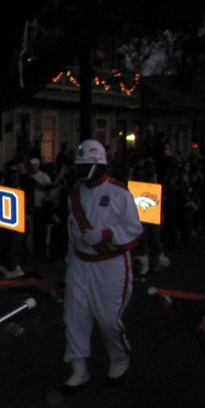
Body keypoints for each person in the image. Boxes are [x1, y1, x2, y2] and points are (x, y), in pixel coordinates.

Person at [60, 140, 143, 392]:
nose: (82, 171)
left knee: (108, 319)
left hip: (110, 264)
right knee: (74, 317)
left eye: (86, 166)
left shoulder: (120, 193)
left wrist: (106, 235)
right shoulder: (74, 194)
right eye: (80, 166)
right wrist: (70, 261)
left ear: (100, 166)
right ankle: (78, 370)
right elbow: (72, 232)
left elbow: (134, 231)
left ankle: (119, 358)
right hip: (79, 262)